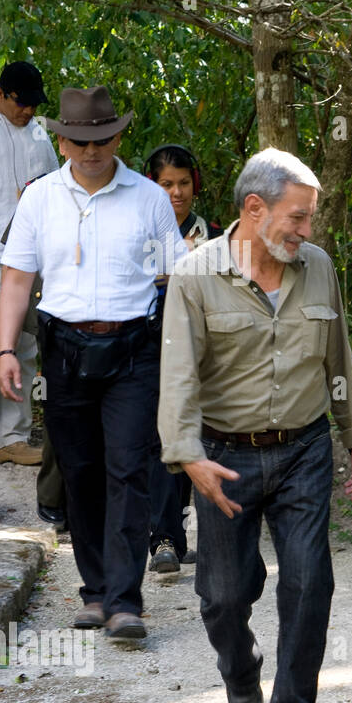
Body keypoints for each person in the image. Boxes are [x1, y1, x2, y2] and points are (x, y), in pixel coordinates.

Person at [159, 147, 352, 703]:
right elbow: (177, 373)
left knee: (310, 582)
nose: (308, 231)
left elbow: (339, 360)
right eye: (298, 217)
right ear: (255, 209)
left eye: (310, 219)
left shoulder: (318, 268)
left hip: (304, 449)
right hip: (224, 456)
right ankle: (238, 662)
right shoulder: (195, 275)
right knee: (225, 595)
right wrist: (187, 455)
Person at [0, 85, 185, 640]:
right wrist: (7, 349)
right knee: (79, 473)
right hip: (64, 350)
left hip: (133, 350)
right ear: (61, 141)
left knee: (128, 469)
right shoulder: (39, 198)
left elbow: (175, 273)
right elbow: (16, 278)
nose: (92, 149)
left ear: (118, 137)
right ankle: (97, 591)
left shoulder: (148, 198)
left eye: (101, 138)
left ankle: (126, 601)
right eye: (79, 140)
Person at [143, 144, 222, 574]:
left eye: (183, 183)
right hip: (150, 346)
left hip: (205, 348)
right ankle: (164, 539)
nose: (176, 193)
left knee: (195, 434)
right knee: (161, 438)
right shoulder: (137, 231)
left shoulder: (213, 234)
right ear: (150, 185)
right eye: (166, 184)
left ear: (196, 184)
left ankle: (181, 532)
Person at [0, 62, 57, 467]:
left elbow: (56, 184)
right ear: (0, 92)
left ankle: (10, 436)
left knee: (26, 342)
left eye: (34, 104)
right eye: (22, 102)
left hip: (31, 255)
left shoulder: (38, 134)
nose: (29, 111)